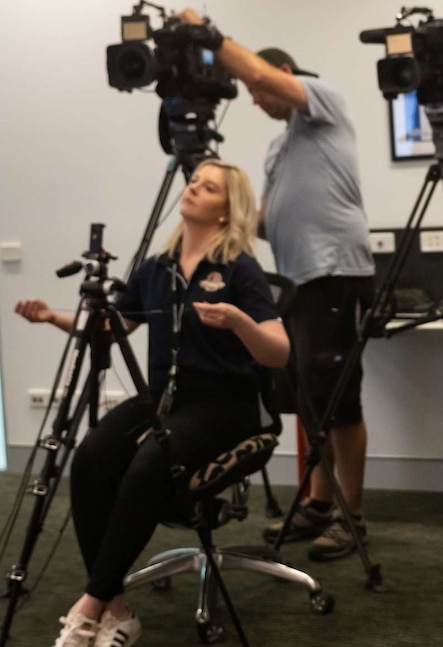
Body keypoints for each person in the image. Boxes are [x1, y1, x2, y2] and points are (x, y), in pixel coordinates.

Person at [16, 159, 289, 647]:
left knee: (147, 467)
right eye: (193, 182)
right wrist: (53, 317)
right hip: (165, 401)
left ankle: (89, 605)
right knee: (91, 460)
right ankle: (117, 609)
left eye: (208, 188)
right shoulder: (156, 268)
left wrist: (237, 322)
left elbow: (278, 349)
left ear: (227, 211)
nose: (192, 189)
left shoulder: (239, 269)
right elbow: (114, 327)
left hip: (226, 404)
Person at [176, 9, 376, 561]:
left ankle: (352, 515)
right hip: (295, 279)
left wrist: (210, 39)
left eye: (257, 89)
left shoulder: (323, 102)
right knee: (307, 398)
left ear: (286, 74)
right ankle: (317, 505)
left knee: (339, 400)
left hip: (334, 270)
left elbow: (262, 77)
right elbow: (265, 222)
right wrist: (223, 207)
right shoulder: (277, 147)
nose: (254, 99)